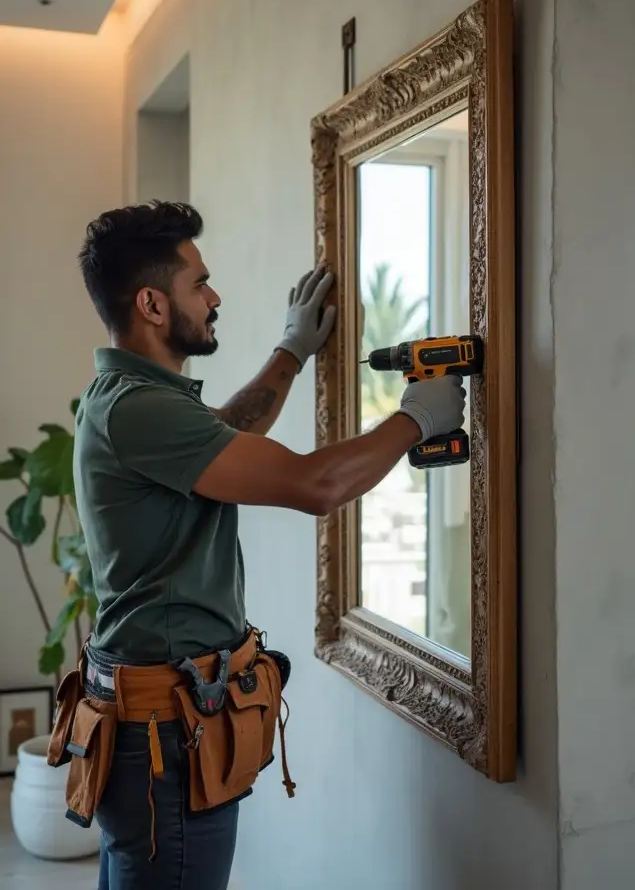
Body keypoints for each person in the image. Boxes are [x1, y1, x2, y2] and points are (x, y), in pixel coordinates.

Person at [65, 200, 466, 890]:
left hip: (148, 729)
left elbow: (227, 430)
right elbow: (314, 485)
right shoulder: (138, 408)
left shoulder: (132, 399)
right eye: (200, 283)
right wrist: (415, 419)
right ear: (154, 305)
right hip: (166, 740)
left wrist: (292, 350)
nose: (215, 297)